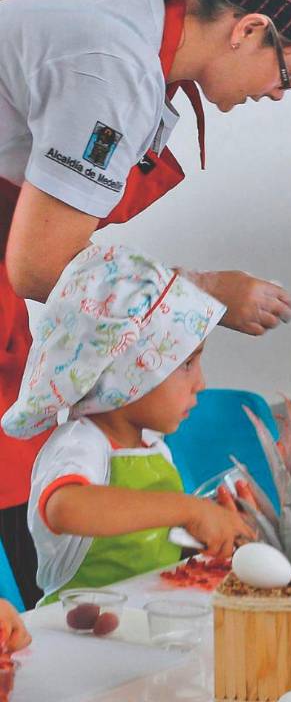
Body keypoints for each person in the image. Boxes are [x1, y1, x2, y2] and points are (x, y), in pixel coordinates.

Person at [0, 0, 291, 606]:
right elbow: (38, 268)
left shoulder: (140, 35)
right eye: (288, 74)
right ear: (247, 29)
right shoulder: (114, 69)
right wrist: (203, 292)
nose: (278, 93)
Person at [1, 244, 252, 603]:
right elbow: (64, 508)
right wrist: (189, 510)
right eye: (186, 364)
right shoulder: (82, 443)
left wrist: (205, 530)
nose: (201, 383)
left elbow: (140, 543)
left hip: (138, 621)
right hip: (78, 633)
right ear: (125, 374)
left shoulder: (149, 446)